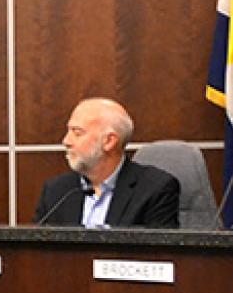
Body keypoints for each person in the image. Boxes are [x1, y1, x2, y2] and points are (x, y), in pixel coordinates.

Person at [33, 97, 179, 228]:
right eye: (68, 131)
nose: (66, 141)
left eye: (77, 133)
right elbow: (36, 251)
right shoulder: (57, 191)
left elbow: (157, 254)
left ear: (109, 141)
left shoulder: (155, 189)